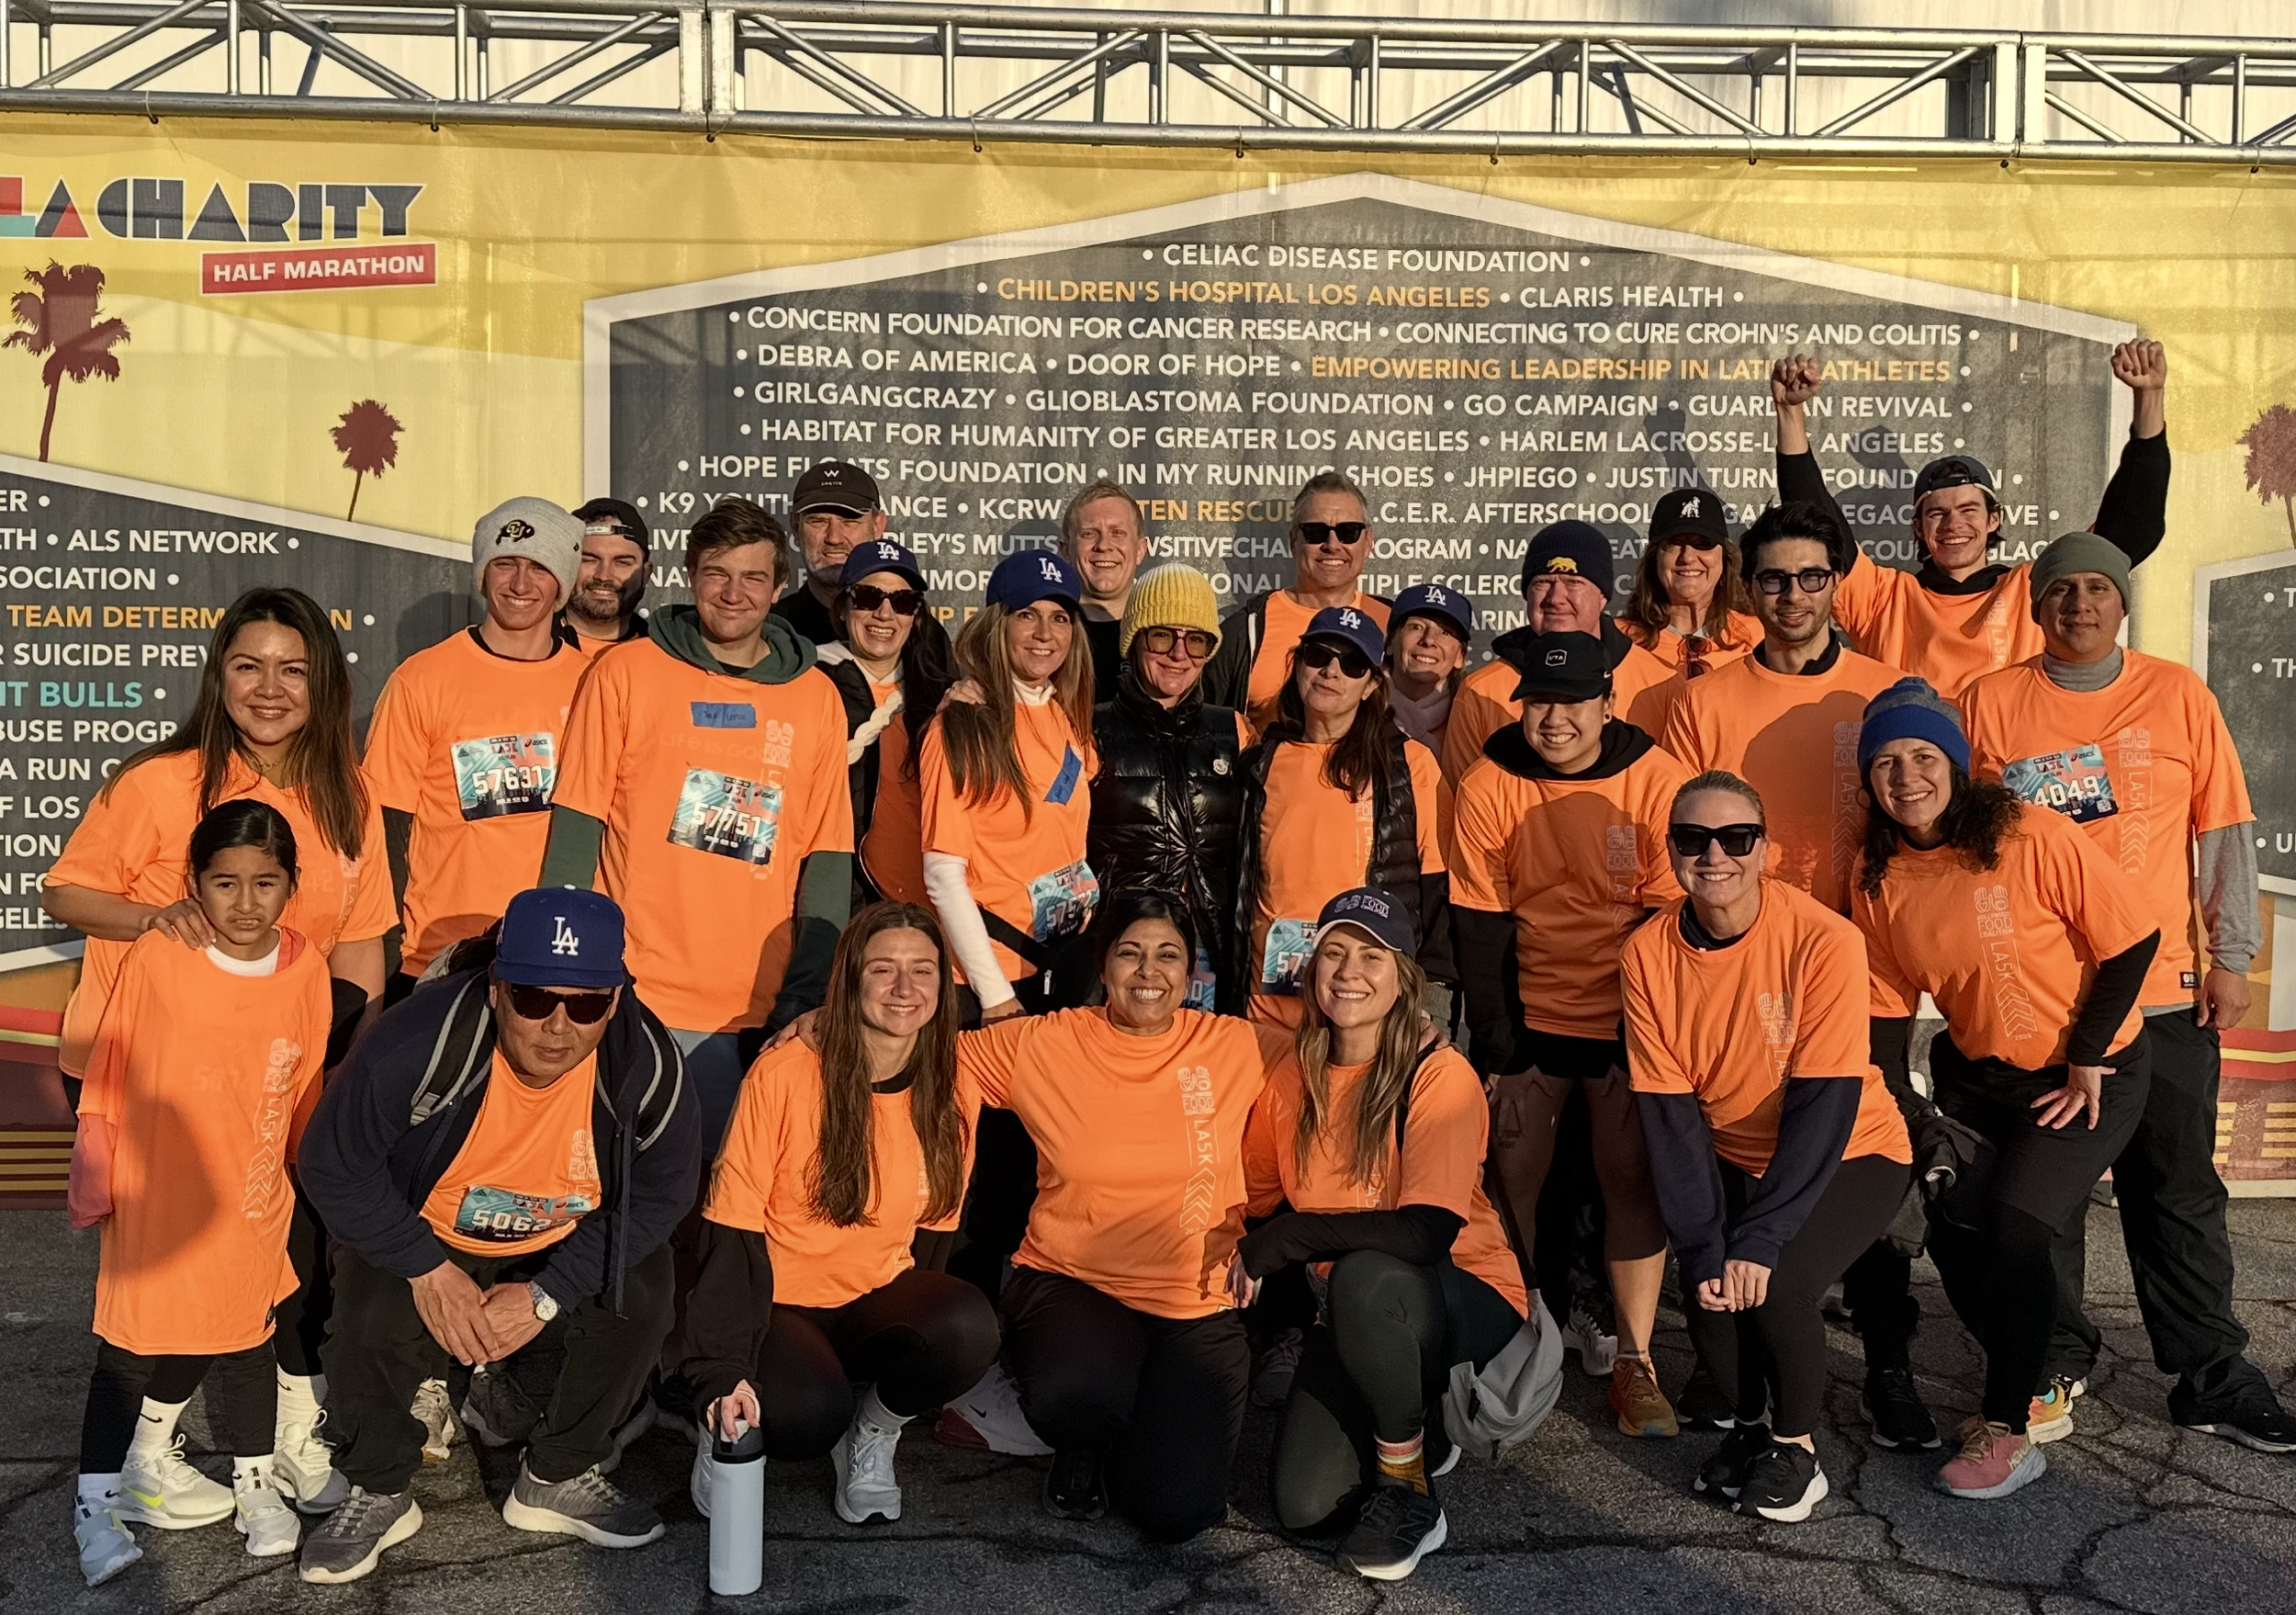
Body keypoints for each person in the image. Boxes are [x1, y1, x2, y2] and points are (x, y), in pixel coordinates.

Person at [42, 584, 392, 1508]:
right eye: (249, 666)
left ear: (324, 683)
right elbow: (65, 891)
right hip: (155, 1076)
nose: (270, 688)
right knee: (174, 1274)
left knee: (287, 1254)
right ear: (219, 676)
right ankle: (139, 1459)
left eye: (293, 669)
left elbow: (360, 940)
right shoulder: (161, 782)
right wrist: (154, 915)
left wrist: (341, 1061)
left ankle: (289, 1431)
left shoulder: (348, 794)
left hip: (280, 1075)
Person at [1963, 534, 2295, 1452]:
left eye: (2097, 588)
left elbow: (2222, 827)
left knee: (2176, 1191)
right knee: (2048, 1196)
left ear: (2121, 602)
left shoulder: (2178, 694)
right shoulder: (1989, 701)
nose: (2079, 604)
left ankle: (2210, 1373)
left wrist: (2231, 954)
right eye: (2061, 589)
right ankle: (2051, 1359)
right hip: (2046, 1001)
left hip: (2160, 995)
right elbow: (1966, 846)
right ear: (2037, 606)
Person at [294, 888, 702, 1583]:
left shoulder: (647, 1067)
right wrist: (426, 1269)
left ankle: (558, 1474)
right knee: (368, 1306)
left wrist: (548, 1294)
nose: (558, 1027)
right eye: (534, 999)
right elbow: (331, 1163)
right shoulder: (419, 1041)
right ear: (496, 988)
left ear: (615, 1000)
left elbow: (664, 1195)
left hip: (558, 1235)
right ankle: (380, 1487)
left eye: (586, 1005)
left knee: (644, 1289)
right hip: (429, 1229)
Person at [1658, 499, 1928, 1447]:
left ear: (1836, 582)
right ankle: (1736, 1362)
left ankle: (1889, 1366)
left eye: (1812, 575)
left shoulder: (1882, 692)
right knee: (1741, 1153)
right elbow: (1683, 835)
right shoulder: (1704, 701)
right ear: (1749, 587)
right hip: (1743, 967)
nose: (1793, 595)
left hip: (1867, 972)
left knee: (1861, 1168)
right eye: (1773, 578)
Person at [1851, 681, 2158, 1500]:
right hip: (1977, 1076)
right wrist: (1897, 1109)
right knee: (1952, 1223)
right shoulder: (1876, 875)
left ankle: (2010, 1428)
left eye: (1923, 756)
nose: (1906, 777)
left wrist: (2087, 1054)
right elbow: (1885, 1012)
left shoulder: (2031, 833)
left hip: (2087, 1072)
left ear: (1956, 765)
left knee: (2018, 1228)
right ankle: (2036, 1366)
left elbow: (2132, 940)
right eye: (1885, 762)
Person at [1623, 774, 1913, 1521]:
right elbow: (1670, 1115)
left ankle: (1796, 1448)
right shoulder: (1647, 953)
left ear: (1766, 850)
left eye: (1735, 838)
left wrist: (1762, 1235)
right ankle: (1751, 1430)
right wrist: (1703, 1244)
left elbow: (1824, 1103)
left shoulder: (1824, 939)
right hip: (1733, 1149)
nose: (1714, 855)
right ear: (1671, 853)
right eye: (1693, 840)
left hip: (1852, 1147)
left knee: (1775, 1282)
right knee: (1711, 1286)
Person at [69, 802, 332, 1587]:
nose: (245, 903)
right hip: (157, 1192)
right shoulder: (160, 955)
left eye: (265, 883)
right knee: (129, 1350)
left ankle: (255, 1483)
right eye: (225, 883)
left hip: (251, 1194)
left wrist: (302, 1172)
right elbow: (112, 1066)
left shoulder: (307, 968)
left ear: (291, 884)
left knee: (246, 1336)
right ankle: (95, 1504)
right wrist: (99, 1174)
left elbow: (306, 1083)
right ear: (194, 882)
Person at [1243, 888, 1535, 1581]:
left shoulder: (1439, 1074)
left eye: (1372, 957)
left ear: (1404, 978)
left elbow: (1425, 1234)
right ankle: (1414, 1416)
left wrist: (1291, 1238)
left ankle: (1409, 1490)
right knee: (1306, 1507)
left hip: (1461, 1295)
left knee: (1366, 1274)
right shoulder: (1293, 1073)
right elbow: (1250, 1202)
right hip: (1350, 1309)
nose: (1349, 972)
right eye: (1334, 954)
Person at [543, 496, 854, 1146]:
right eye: (717, 574)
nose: (733, 594)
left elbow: (826, 858)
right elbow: (575, 831)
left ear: (779, 587)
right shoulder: (626, 672)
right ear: (689, 577)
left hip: (757, 1012)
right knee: (625, 1188)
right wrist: (570, 969)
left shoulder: (816, 698)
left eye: (753, 577)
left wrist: (807, 990)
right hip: (634, 997)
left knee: (732, 1196)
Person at [682, 903, 1000, 1525]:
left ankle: (874, 1430)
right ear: (850, 978)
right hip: (774, 1306)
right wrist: (721, 1373)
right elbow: (732, 1230)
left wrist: (917, 1340)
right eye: (883, 969)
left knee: (967, 1326)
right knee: (806, 1417)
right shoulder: (786, 1072)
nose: (904, 988)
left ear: (944, 984)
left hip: (869, 1302)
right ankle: (720, 1426)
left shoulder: (956, 1084)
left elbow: (935, 1235)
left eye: (922, 970)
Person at [964, 890, 1267, 1542]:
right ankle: (1082, 1439)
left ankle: (1139, 1428)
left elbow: (1339, 1061)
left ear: (1191, 971)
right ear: (1103, 966)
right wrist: (826, 1022)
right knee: (1079, 1392)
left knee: (1175, 1513)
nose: (1148, 972)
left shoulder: (1236, 1044)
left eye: (1168, 955)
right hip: (1073, 1284)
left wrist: (1414, 1034)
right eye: (1130, 953)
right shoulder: (1047, 1042)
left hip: (1193, 1300)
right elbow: (926, 1056)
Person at [1448, 630, 1683, 1440]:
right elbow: (1480, 922)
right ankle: (1522, 1334)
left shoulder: (1655, 778)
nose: (1555, 719)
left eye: (1574, 702)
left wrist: (1639, 1037)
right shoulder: (1489, 781)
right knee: (1513, 1177)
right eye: (1540, 702)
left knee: (1628, 1180)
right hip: (1533, 1016)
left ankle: (1636, 1360)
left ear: (1607, 703)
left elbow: (1666, 924)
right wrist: (1500, 1047)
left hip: (1625, 1017)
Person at [1766, 341, 2170, 697]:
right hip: (1913, 762)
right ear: (1918, 528)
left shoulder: (2034, 587)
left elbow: (2131, 529)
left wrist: (2149, 398)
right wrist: (1789, 413)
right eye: (1937, 513)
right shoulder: (1883, 598)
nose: (1952, 525)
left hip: (2012, 758)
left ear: (1994, 520)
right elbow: (1816, 525)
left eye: (1968, 510)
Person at [917, 548, 1098, 1302]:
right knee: (978, 1175)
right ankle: (949, 1327)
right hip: (989, 990)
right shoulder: (962, 724)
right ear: (997, 623)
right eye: (1027, 615)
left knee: (1039, 1168)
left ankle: (1020, 1319)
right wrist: (996, 998)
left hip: (1058, 978)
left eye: (1060, 617)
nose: (1044, 633)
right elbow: (943, 872)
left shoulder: (1066, 715)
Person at [366, 497, 591, 1002]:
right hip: (439, 955)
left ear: (562, 582)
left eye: (539, 567)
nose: (520, 583)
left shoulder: (593, 685)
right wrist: (385, 955)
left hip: (554, 952)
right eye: (505, 563)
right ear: (483, 575)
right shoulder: (422, 680)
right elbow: (385, 828)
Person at [1233, 606, 1448, 1030]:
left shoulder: (1409, 764)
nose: (1331, 672)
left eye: (1352, 664)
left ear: (1371, 685)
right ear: (1298, 666)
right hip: (1268, 1006)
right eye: (1318, 656)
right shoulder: (1259, 762)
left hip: (1360, 1002)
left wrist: (1428, 1002)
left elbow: (1436, 887)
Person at [1087, 562, 1247, 1013]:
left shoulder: (1235, 731)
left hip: (1212, 947)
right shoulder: (1087, 727)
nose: (1179, 654)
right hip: (1121, 947)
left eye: (1196, 640)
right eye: (1161, 636)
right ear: (1133, 640)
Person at [1442, 522, 1674, 785]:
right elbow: (1460, 791)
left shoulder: (1661, 683)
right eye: (1543, 582)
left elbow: (1679, 791)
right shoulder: (1481, 691)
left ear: (1603, 596)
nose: (1556, 597)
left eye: (1574, 582)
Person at [813, 538, 956, 908]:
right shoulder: (809, 681)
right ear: (843, 606)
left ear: (916, 615)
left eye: (903, 601)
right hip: (841, 901)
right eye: (868, 597)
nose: (885, 613)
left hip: (932, 905)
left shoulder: (941, 694)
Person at [1203, 472, 1392, 738]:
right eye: (1315, 532)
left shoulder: (1394, 626)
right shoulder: (1248, 630)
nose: (1332, 545)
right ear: (1293, 541)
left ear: (1369, 541)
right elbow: (1207, 729)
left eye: (1348, 532)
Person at [1617, 489, 1761, 678]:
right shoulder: (1618, 642)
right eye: (1673, 543)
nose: (1687, 557)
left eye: (1703, 543)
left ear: (1725, 558)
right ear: (1654, 559)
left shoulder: (1761, 637)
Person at [772, 460, 885, 648]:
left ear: (878, 526)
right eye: (818, 521)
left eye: (849, 521)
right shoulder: (772, 632)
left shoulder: (916, 634)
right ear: (795, 527)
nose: (834, 538)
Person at [1061, 480, 1152, 697]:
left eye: (1117, 533)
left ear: (1140, 550)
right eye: (1089, 534)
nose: (1103, 545)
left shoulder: (1167, 637)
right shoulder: (1045, 636)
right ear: (1065, 551)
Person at [1383, 583, 1474, 762]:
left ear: (1460, 656)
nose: (1429, 640)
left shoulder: (1471, 717)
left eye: (1445, 632)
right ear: (1391, 643)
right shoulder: (1355, 706)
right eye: (1416, 627)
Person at [567, 497, 650, 655]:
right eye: (589, 560)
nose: (604, 576)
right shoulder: (527, 647)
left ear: (646, 574)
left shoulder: (668, 657)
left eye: (622, 563)